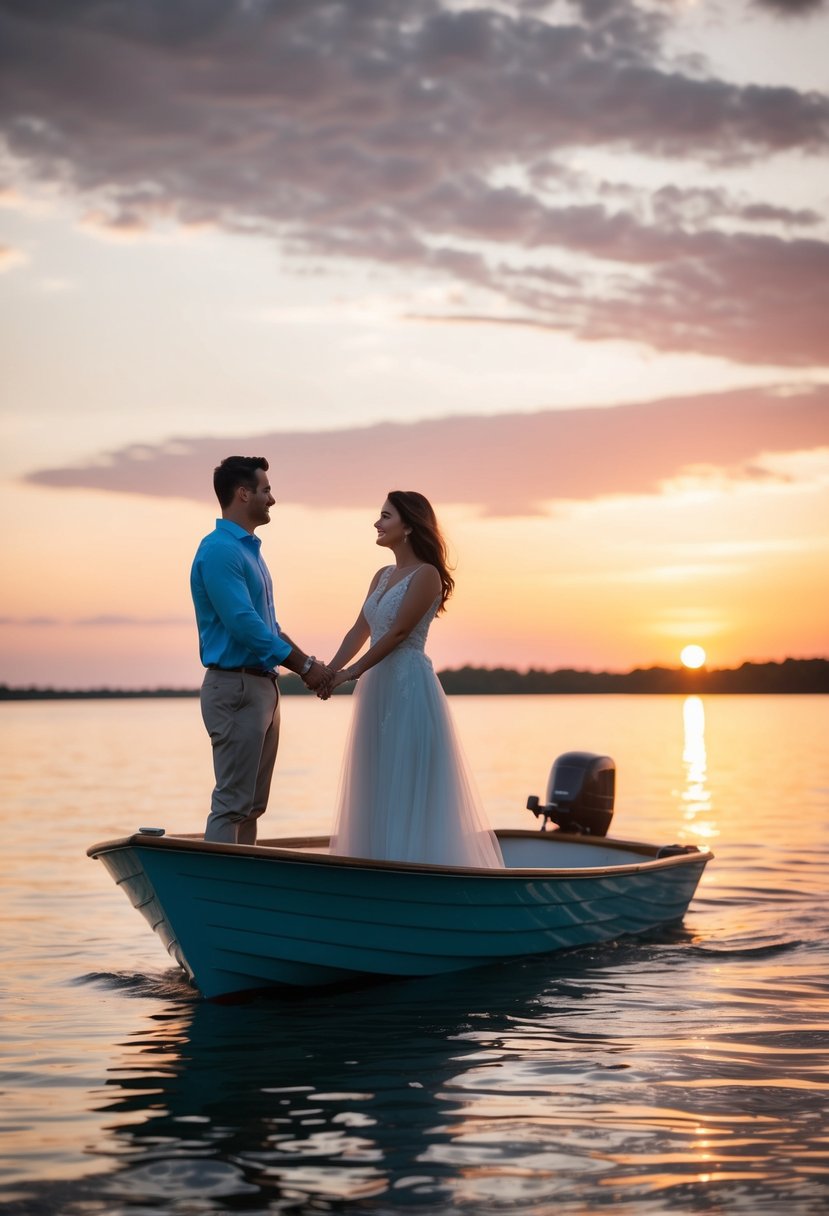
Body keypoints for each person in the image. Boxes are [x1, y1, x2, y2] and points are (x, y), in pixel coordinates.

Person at [322, 491, 504, 868]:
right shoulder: (381, 575)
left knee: (405, 777)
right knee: (375, 776)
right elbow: (361, 629)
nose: (377, 523)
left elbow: (398, 634)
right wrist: (327, 671)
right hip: (376, 688)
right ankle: (373, 867)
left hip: (408, 687)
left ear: (408, 526)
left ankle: (412, 867)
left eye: (385, 516)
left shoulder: (427, 575)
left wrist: (349, 674)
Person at [191, 455, 330, 845]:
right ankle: (219, 890)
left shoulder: (249, 552)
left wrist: (310, 664)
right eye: (266, 490)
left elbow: (269, 628)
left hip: (261, 687)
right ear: (243, 493)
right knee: (233, 802)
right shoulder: (220, 550)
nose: (272, 499)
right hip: (235, 687)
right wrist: (305, 667)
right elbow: (244, 625)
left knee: (252, 805)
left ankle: (242, 887)